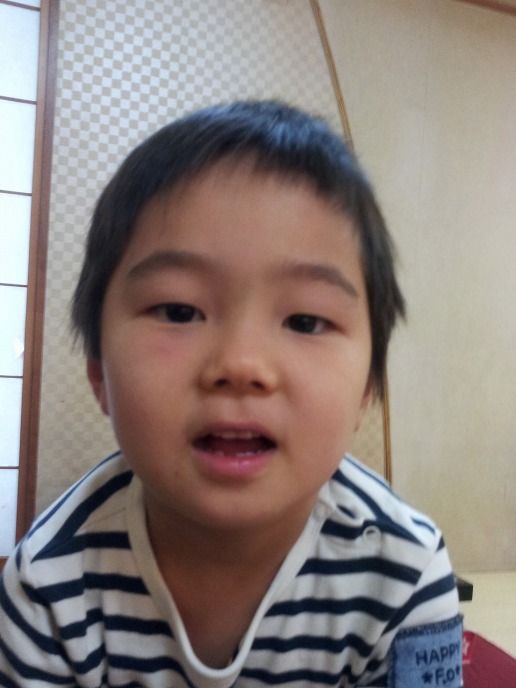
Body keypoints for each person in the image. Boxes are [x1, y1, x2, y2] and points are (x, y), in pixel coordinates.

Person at [0, 101, 462, 687]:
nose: (242, 366)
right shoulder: (49, 583)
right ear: (98, 371)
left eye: (305, 321)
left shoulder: (406, 575)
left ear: (370, 383)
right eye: (178, 310)